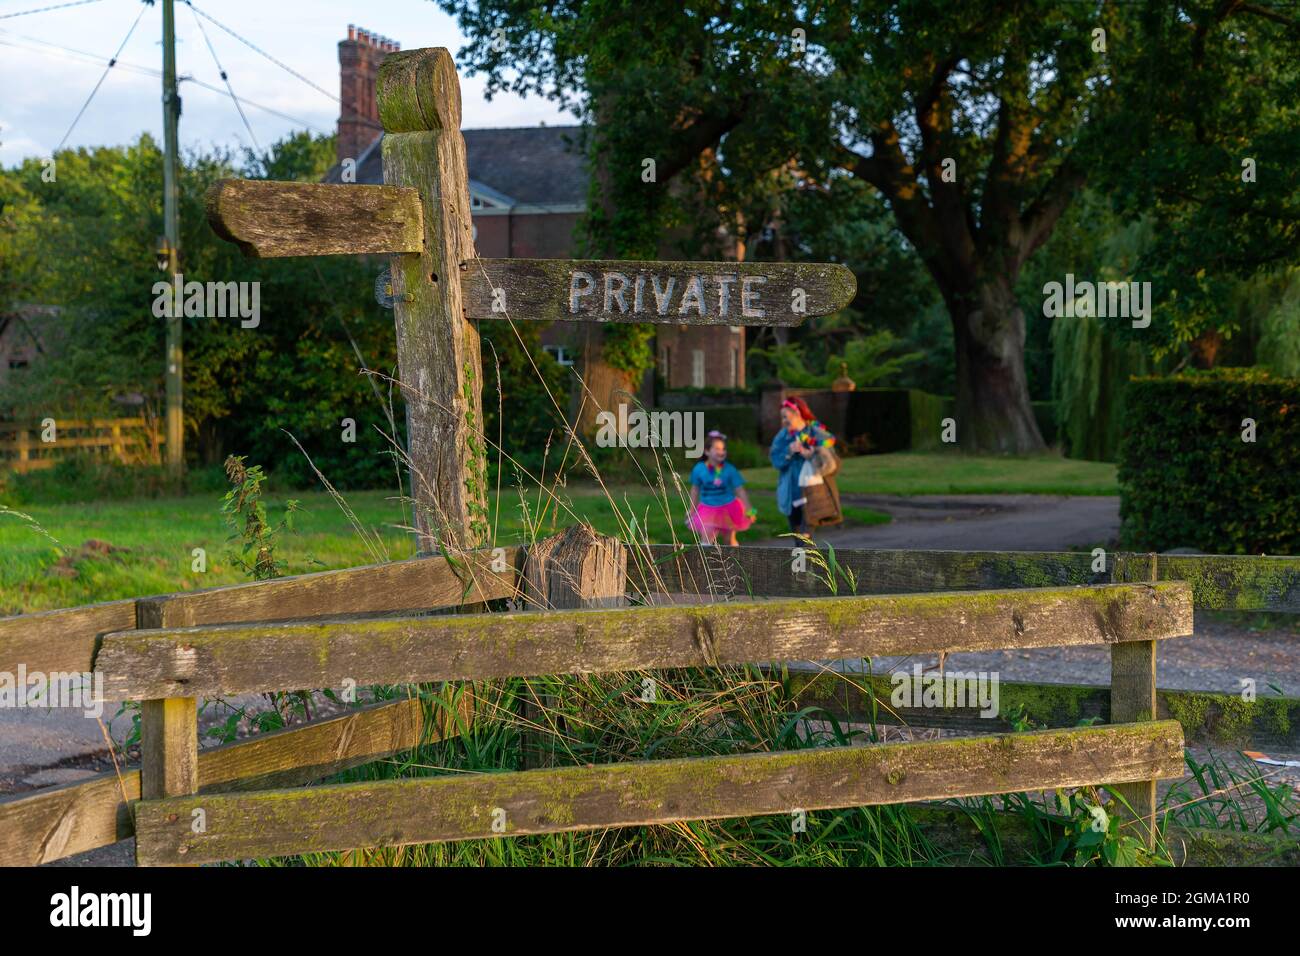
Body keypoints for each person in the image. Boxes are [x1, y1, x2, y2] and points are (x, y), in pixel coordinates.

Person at [769, 396, 837, 535]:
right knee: (798, 537)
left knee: (805, 537)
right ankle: (804, 557)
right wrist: (789, 451)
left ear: (798, 413)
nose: (784, 421)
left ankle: (806, 557)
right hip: (792, 493)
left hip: (812, 492)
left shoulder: (815, 432)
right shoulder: (782, 437)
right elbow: (776, 461)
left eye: (786, 417)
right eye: (782, 418)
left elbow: (829, 464)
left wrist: (811, 454)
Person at [687, 431, 756, 546]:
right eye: (717, 449)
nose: (722, 451)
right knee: (706, 539)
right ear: (707, 451)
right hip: (707, 508)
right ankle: (706, 563)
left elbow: (740, 490)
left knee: (729, 541)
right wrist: (692, 509)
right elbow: (695, 489)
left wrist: (750, 510)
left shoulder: (729, 469)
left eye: (723, 449)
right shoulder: (699, 469)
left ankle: (735, 561)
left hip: (728, 507)